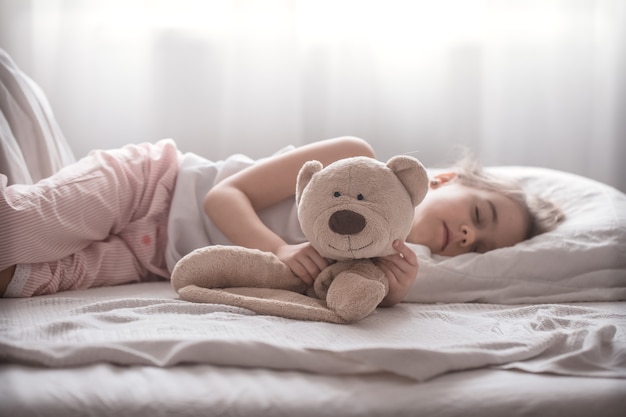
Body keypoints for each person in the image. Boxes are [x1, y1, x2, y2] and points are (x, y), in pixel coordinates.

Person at [0, 135, 563, 303]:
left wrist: (389, 292)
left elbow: (338, 296)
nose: (469, 235)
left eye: (481, 244)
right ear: (443, 180)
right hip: (153, 187)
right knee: (19, 228)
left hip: (156, 257)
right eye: (480, 214)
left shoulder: (384, 256)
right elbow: (223, 199)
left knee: (26, 281)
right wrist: (280, 248)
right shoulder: (355, 157)